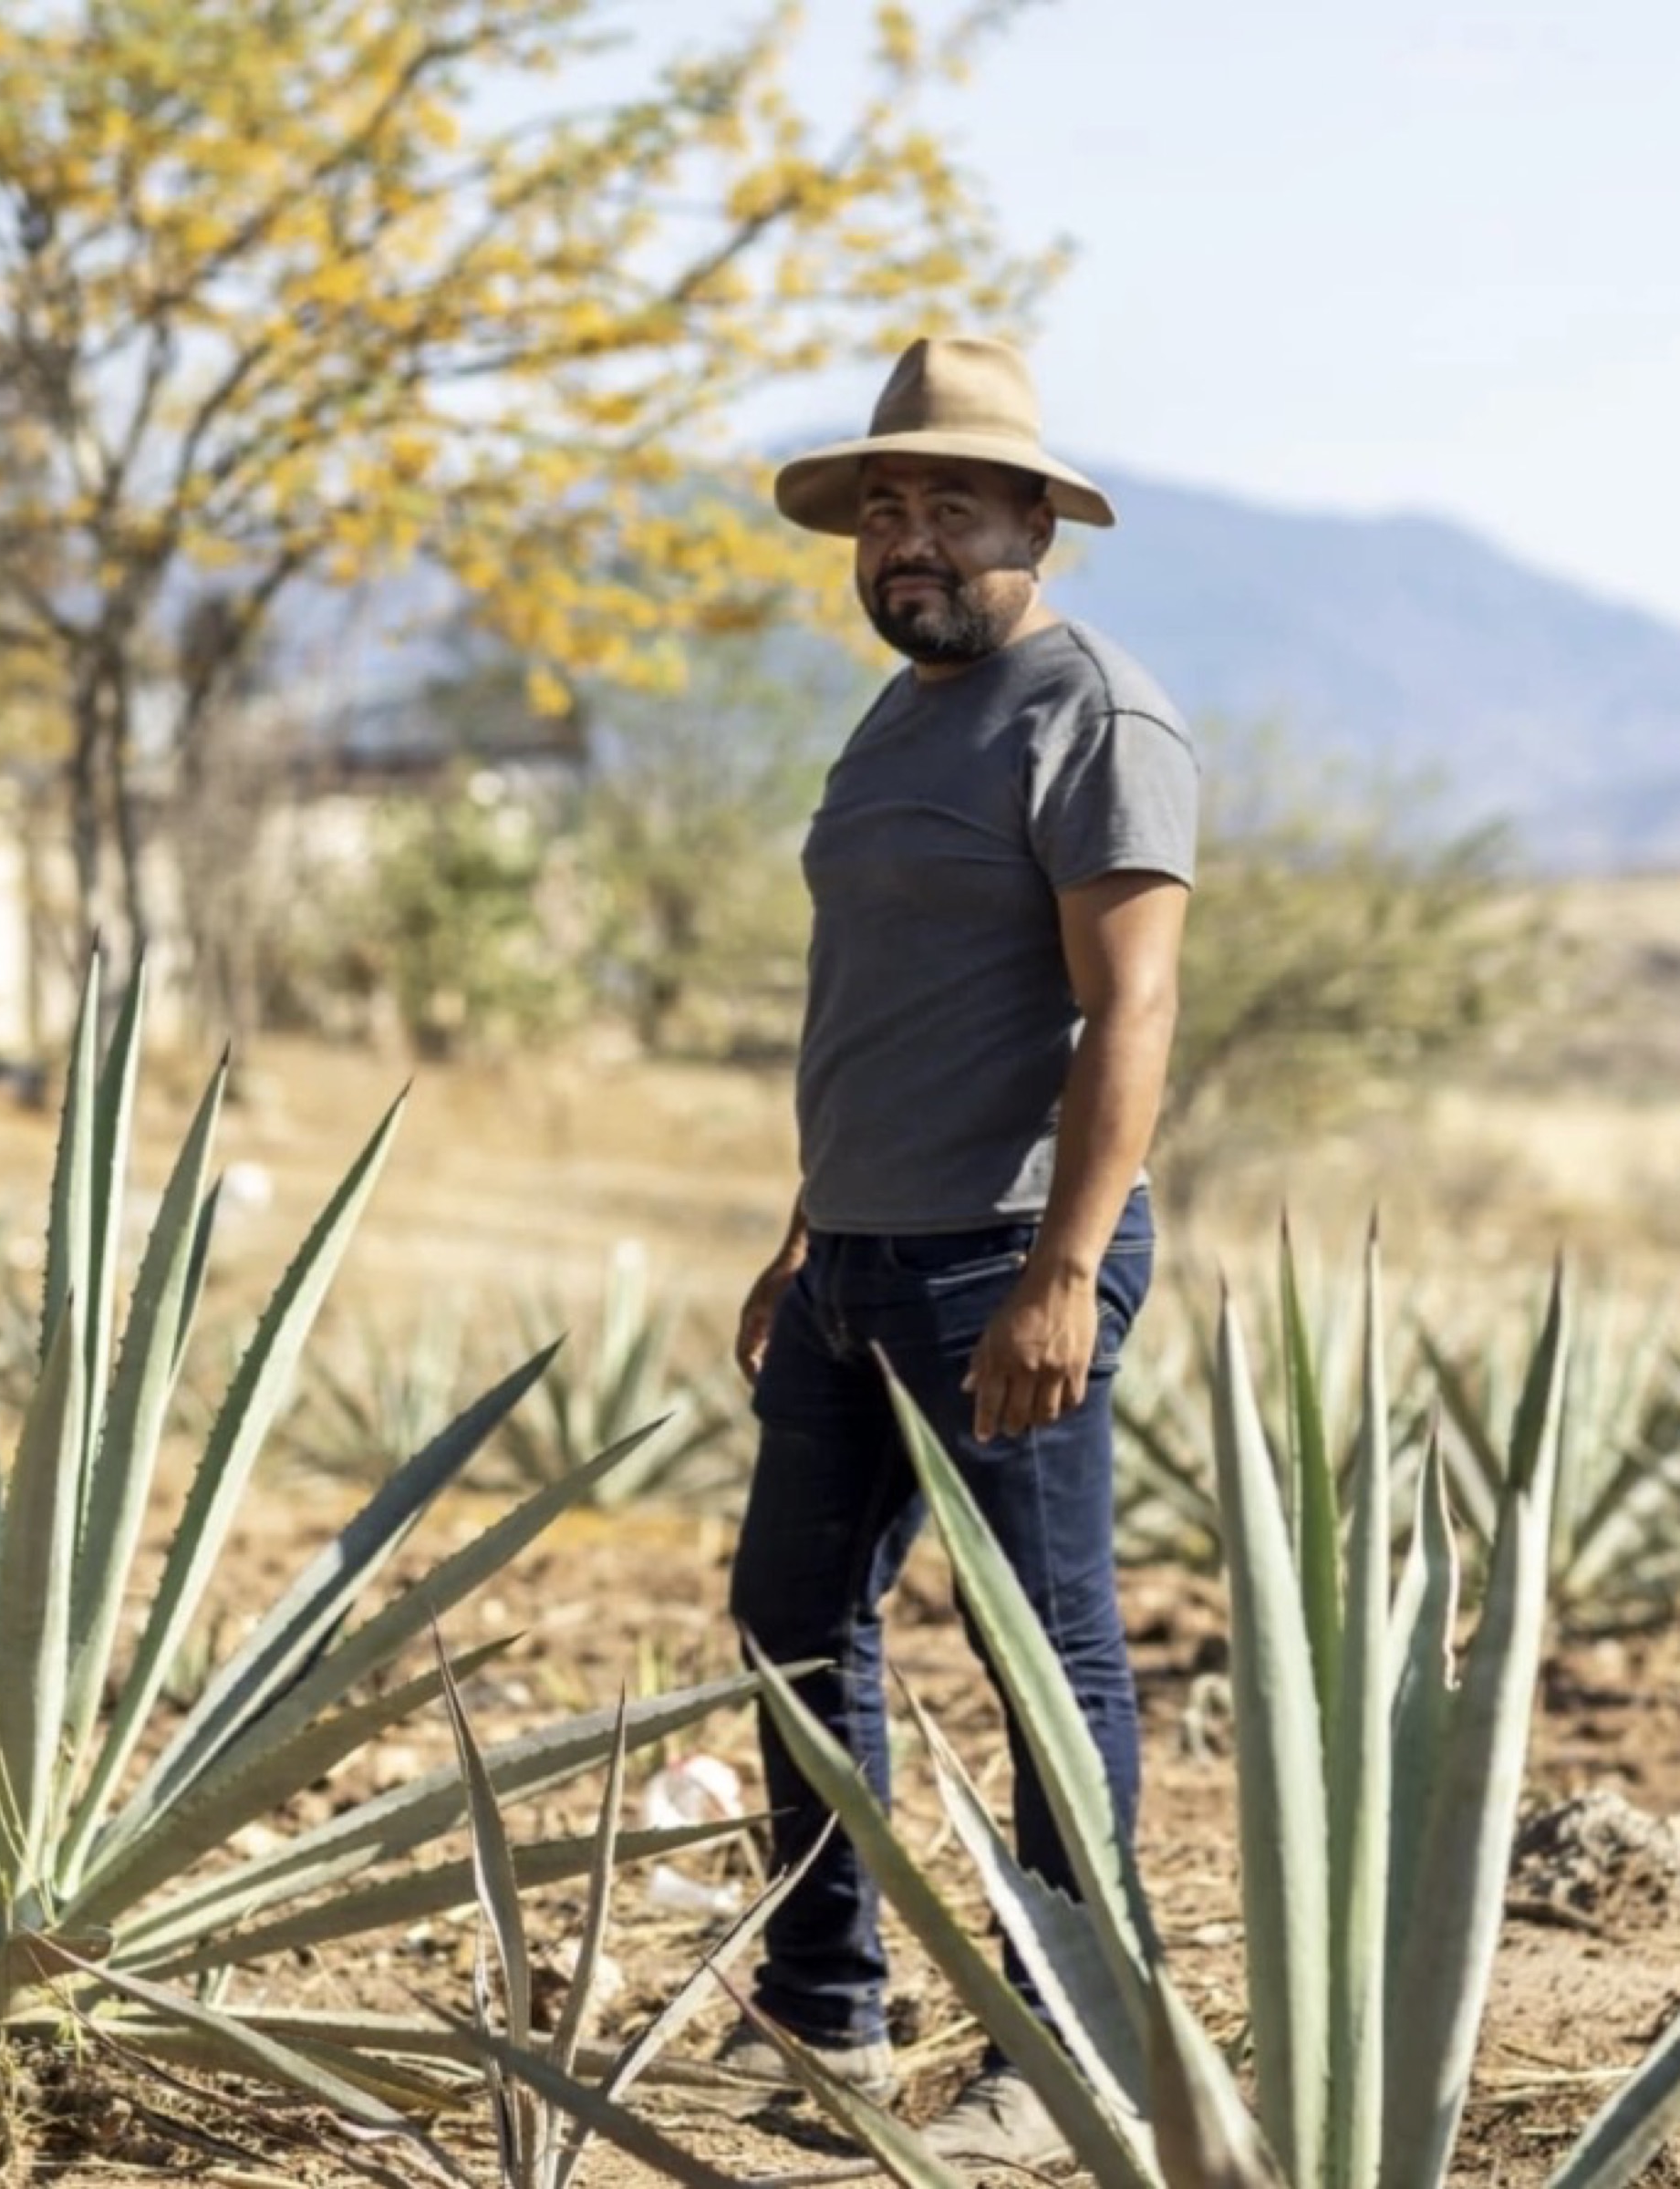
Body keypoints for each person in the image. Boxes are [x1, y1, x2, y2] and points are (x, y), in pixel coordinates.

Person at [721, 333, 1198, 2169]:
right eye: (885, 510)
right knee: (788, 1621)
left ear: (1034, 527)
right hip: (855, 1258)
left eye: (949, 507)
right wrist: (800, 1231)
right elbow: (878, 999)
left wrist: (1065, 1274)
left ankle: (1062, 2058)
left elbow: (1131, 1013)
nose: (907, 539)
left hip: (1002, 1264)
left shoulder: (1096, 712)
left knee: (1045, 1649)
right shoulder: (901, 711)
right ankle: (827, 2016)